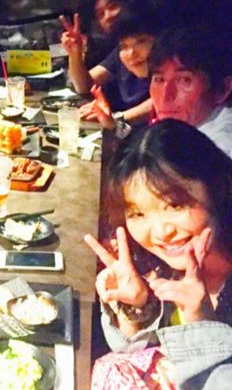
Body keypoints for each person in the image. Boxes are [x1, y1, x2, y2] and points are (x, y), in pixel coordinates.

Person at [83, 120, 232, 388]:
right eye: (138, 214)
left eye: (175, 205)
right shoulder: (162, 265)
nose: (161, 232)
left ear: (218, 187)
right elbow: (131, 351)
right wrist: (137, 306)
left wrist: (200, 321)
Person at [83, 28, 232, 154]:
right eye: (159, 80)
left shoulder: (220, 149)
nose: (166, 95)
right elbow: (147, 150)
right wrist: (113, 125)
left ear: (222, 89)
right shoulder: (186, 128)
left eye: (184, 80)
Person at [60, 0, 164, 126]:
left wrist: (115, 119)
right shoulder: (120, 55)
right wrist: (75, 53)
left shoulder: (171, 65)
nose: (131, 53)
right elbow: (85, 86)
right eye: (124, 45)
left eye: (141, 41)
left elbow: (161, 101)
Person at [85, 0, 132, 67]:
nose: (107, 16)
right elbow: (88, 76)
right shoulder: (118, 50)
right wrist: (74, 53)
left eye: (113, 6)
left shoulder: (153, 39)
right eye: (100, 14)